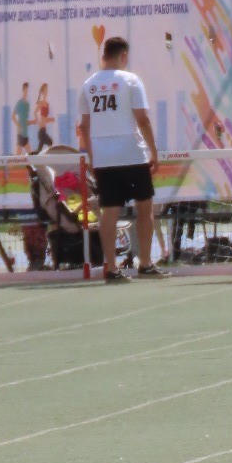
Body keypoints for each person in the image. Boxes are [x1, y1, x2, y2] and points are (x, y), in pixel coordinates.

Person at [78, 36, 164, 281]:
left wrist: (92, 158)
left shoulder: (88, 84)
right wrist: (154, 151)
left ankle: (111, 268)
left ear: (103, 55)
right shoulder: (131, 80)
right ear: (124, 55)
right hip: (132, 153)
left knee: (110, 211)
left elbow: (83, 126)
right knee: (145, 207)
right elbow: (142, 119)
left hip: (104, 157)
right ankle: (145, 263)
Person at [12, 83, 30, 154]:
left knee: (29, 155)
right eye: (25, 90)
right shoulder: (19, 103)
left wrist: (33, 122)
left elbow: (25, 121)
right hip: (20, 134)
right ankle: (9, 162)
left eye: (27, 90)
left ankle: (10, 162)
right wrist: (18, 125)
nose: (26, 92)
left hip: (25, 134)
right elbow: (13, 116)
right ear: (23, 90)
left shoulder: (27, 105)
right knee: (19, 155)